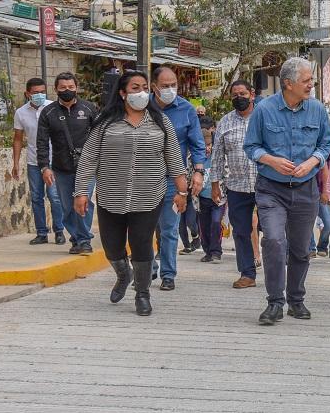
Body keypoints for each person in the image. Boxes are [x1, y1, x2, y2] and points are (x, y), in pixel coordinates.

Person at [73, 71, 187, 316]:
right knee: (112, 246)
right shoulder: (104, 123)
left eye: (145, 87)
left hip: (149, 195)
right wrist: (81, 192)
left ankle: (142, 294)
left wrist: (182, 191)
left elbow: (174, 158)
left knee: (142, 243)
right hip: (110, 195)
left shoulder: (160, 121)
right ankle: (124, 274)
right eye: (135, 88)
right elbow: (89, 158)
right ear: (123, 93)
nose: (142, 92)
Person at [244, 56, 330, 326]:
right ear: (288, 83)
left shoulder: (317, 109)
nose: (311, 85)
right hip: (271, 189)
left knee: (300, 248)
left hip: (306, 189)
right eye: (306, 80)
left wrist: (313, 161)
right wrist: (271, 160)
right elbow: (251, 146)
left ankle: (296, 299)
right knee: (273, 240)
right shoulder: (264, 109)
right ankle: (275, 302)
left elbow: (326, 143)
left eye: (311, 80)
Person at [151, 66, 207, 291]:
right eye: (165, 86)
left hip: (173, 179)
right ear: (154, 87)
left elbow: (197, 144)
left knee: (169, 229)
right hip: (144, 179)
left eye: (173, 85)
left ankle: (168, 274)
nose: (170, 89)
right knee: (142, 229)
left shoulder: (186, 109)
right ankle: (147, 269)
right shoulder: (142, 107)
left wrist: (199, 172)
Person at [37, 73, 99, 254]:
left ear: (76, 88)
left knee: (83, 202)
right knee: (67, 206)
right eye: (63, 87)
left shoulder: (89, 109)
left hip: (86, 167)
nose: (67, 90)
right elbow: (42, 142)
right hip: (61, 168)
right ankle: (76, 237)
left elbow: (100, 137)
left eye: (71, 87)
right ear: (56, 89)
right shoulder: (48, 113)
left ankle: (84, 240)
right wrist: (44, 167)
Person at [213, 80, 260, 289]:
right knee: (240, 231)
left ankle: (277, 272)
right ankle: (247, 274)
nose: (239, 98)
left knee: (273, 230)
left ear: (252, 94)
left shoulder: (264, 117)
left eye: (243, 94)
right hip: (236, 186)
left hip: (265, 184)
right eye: (234, 95)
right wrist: (215, 184)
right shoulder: (225, 122)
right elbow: (217, 155)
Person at [13, 78, 65, 246]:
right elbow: (18, 139)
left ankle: (59, 231)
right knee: (36, 197)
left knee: (55, 197)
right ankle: (41, 232)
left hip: (53, 160)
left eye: (42, 92)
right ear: (27, 94)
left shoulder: (54, 108)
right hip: (33, 161)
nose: (40, 95)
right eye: (36, 93)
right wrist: (15, 163)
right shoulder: (20, 113)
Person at [197, 127, 225, 263]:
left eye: (209, 145)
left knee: (215, 222)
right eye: (204, 146)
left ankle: (216, 251)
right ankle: (207, 251)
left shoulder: (218, 156)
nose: (207, 148)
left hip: (218, 198)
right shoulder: (195, 159)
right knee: (204, 226)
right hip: (201, 198)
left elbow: (226, 172)